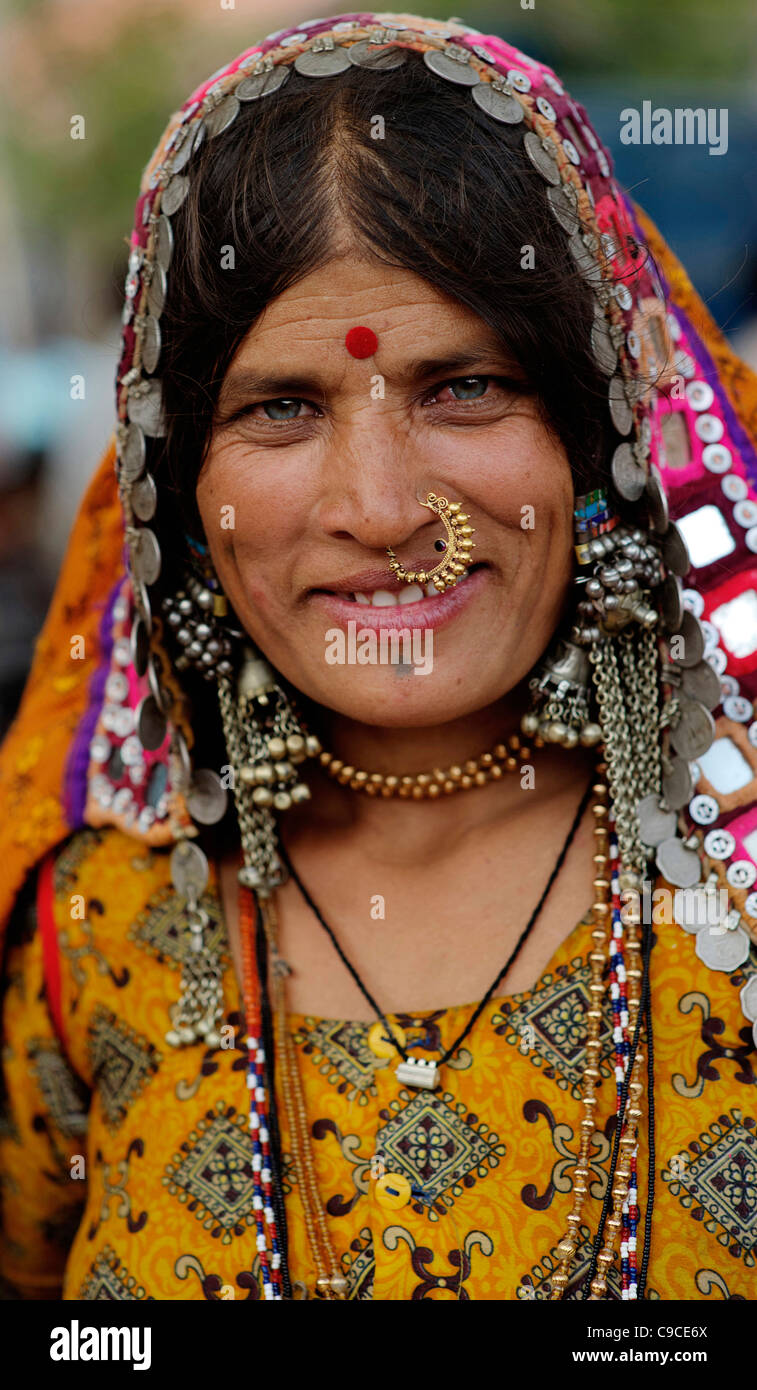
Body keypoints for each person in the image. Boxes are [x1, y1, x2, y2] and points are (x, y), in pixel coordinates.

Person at [1, 11, 756, 1304]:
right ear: (179, 484)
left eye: (463, 385)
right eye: (279, 407)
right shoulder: (93, 929)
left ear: (598, 433)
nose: (382, 506)